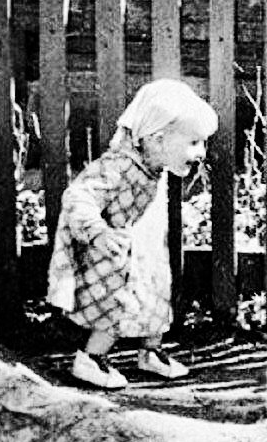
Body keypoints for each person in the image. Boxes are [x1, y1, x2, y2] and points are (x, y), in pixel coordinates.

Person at [47, 79, 218, 389]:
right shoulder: (118, 167)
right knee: (114, 310)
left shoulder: (155, 167)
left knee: (155, 302)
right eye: (194, 142)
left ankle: (150, 353)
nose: (201, 152)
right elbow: (78, 196)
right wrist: (96, 231)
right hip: (115, 258)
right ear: (156, 139)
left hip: (146, 254)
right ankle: (89, 359)